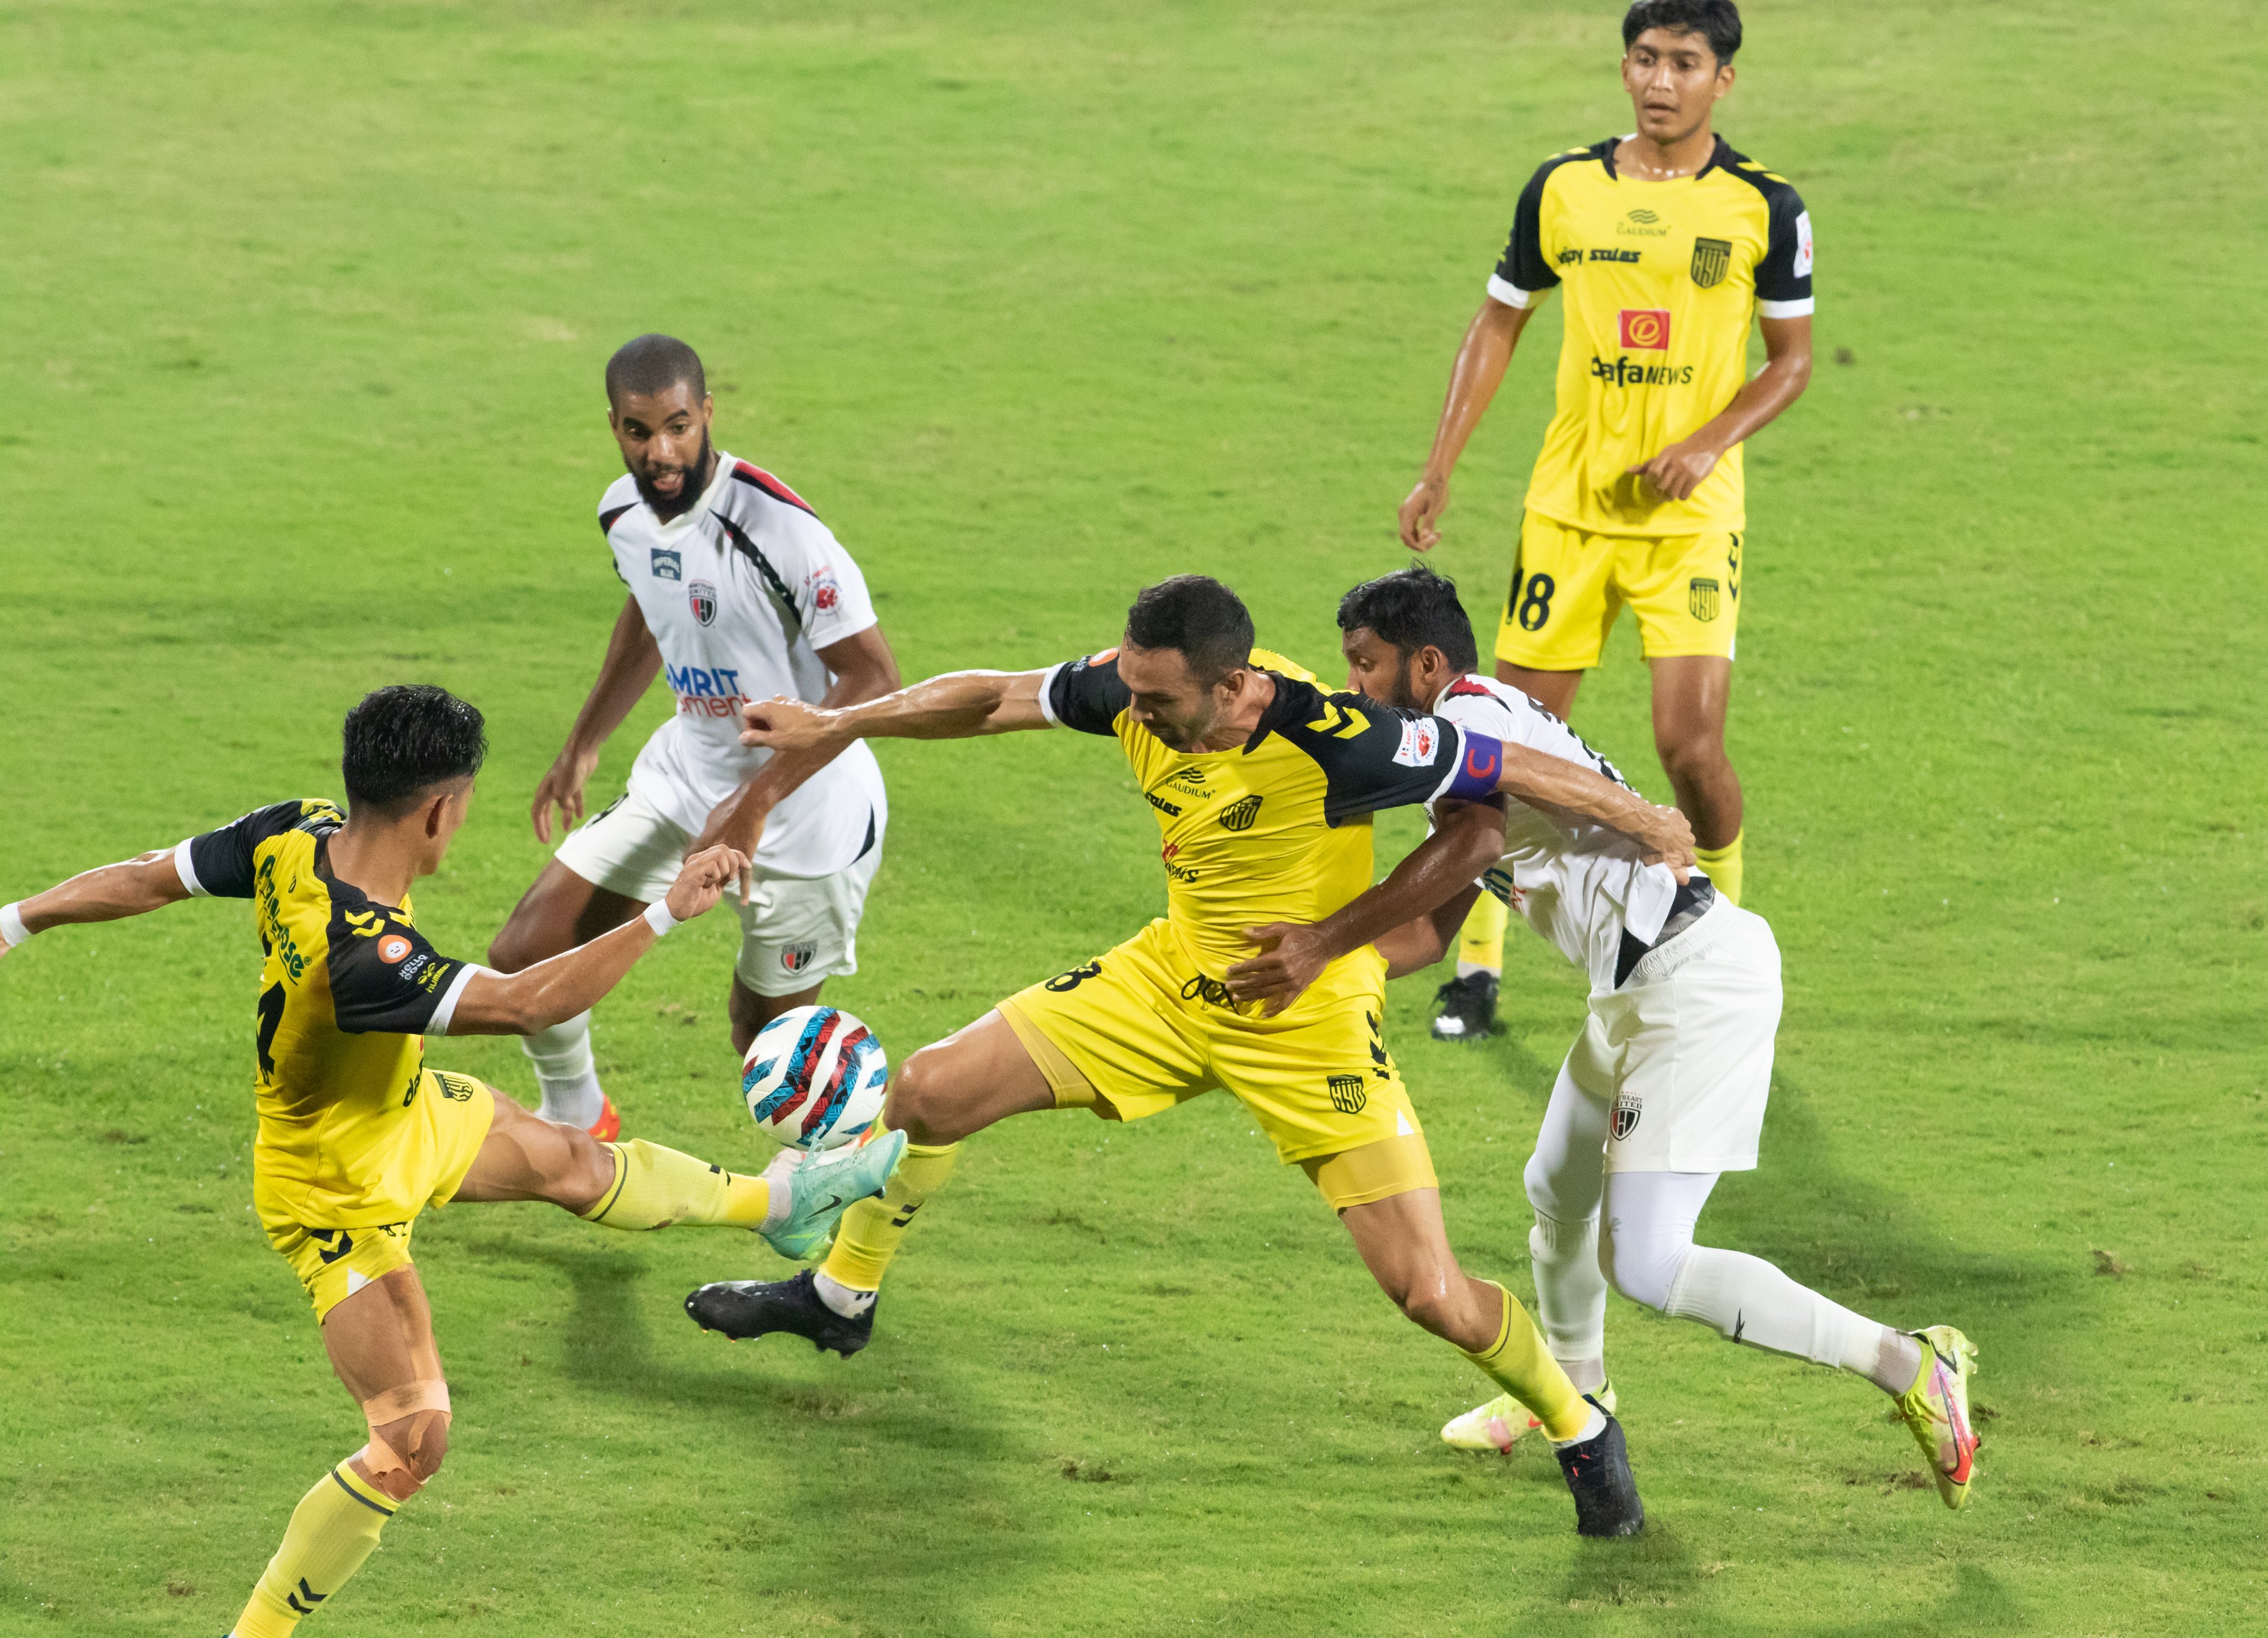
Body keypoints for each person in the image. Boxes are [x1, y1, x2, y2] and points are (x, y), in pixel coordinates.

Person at [683, 575, 1700, 1536]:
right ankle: (839, 1298)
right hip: (1169, 984)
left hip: (1307, 1016)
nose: (1134, 712)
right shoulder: (1129, 693)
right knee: (928, 1090)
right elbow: (994, 699)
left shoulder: (1332, 734)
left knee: (1429, 1292)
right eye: (1129, 687)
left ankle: (1581, 1426)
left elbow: (1505, 775)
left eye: (1157, 698)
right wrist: (841, 722)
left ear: (1230, 685)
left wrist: (1647, 818)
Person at [0, 685, 905, 1637]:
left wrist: (15, 920)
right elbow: (526, 1003)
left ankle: (783, 1203)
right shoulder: (363, 956)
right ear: (439, 808)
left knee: (570, 1163)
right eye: (465, 804)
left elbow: (152, 875)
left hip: (401, 1112)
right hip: (334, 1193)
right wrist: (668, 915)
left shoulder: (292, 833)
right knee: (410, 1441)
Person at [1224, 567, 1978, 1508]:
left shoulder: (1473, 717)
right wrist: (1311, 972)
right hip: (1636, 988)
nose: (1355, 691)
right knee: (1555, 1189)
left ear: (1425, 663)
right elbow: (1427, 930)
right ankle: (1573, 1399)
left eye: (1366, 667)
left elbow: (1475, 849)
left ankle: (1910, 1364)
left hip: (1695, 984)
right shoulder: (1462, 758)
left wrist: (1324, 941)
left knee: (1650, 1264)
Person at [1394, 0, 1815, 1042]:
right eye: (1644, 59)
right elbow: (1500, 321)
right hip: (1568, 513)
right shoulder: (1565, 187)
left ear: (1725, 79)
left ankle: (1723, 933)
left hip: (1690, 521)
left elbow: (1792, 360)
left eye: (1684, 62)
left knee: (1691, 745)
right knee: (1509, 746)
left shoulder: (1767, 206)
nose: (1659, 80)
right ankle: (1478, 972)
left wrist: (1712, 438)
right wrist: (1440, 466)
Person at [489, 333, 902, 1139]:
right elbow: (651, 610)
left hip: (807, 816)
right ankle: (577, 1116)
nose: (662, 452)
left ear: (708, 412)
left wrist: (753, 805)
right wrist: (584, 740)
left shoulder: (778, 529)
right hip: (686, 780)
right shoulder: (623, 512)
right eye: (639, 433)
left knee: (771, 1045)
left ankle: (815, 1209)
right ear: (615, 427)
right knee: (527, 951)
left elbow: (874, 681)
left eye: (678, 426)